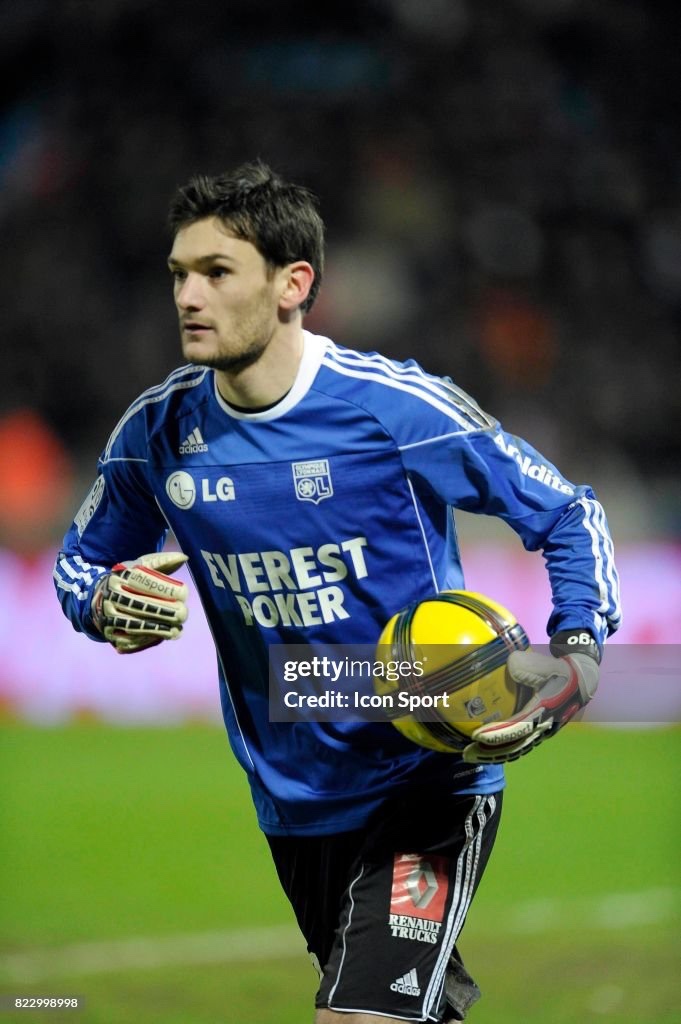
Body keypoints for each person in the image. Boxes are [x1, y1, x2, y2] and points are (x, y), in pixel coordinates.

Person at [54, 160, 621, 1023]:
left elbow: (568, 513)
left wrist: (577, 649)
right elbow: (78, 565)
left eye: (215, 273)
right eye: (178, 274)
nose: (188, 297)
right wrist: (101, 604)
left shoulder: (392, 411)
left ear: (293, 284)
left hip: (427, 774)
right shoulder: (156, 435)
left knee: (358, 1018)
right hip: (294, 798)